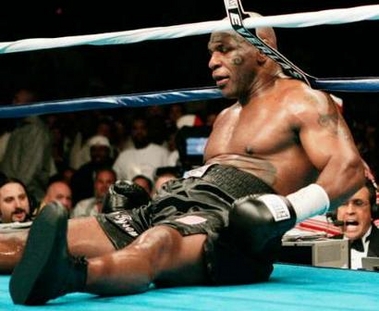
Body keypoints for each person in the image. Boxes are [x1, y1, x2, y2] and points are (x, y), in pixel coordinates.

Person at [6, 12, 365, 305]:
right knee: (46, 236)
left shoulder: (301, 99)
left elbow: (349, 171)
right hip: (178, 204)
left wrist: (288, 209)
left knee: (157, 245)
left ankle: (70, 276)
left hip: (231, 225)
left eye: (224, 49)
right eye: (211, 52)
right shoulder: (226, 117)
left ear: (262, 50)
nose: (212, 62)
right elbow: (205, 182)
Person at [330, 178, 379, 269]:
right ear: (335, 212)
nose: (350, 211)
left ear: (373, 211)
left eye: (358, 203)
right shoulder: (323, 248)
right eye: (343, 203)